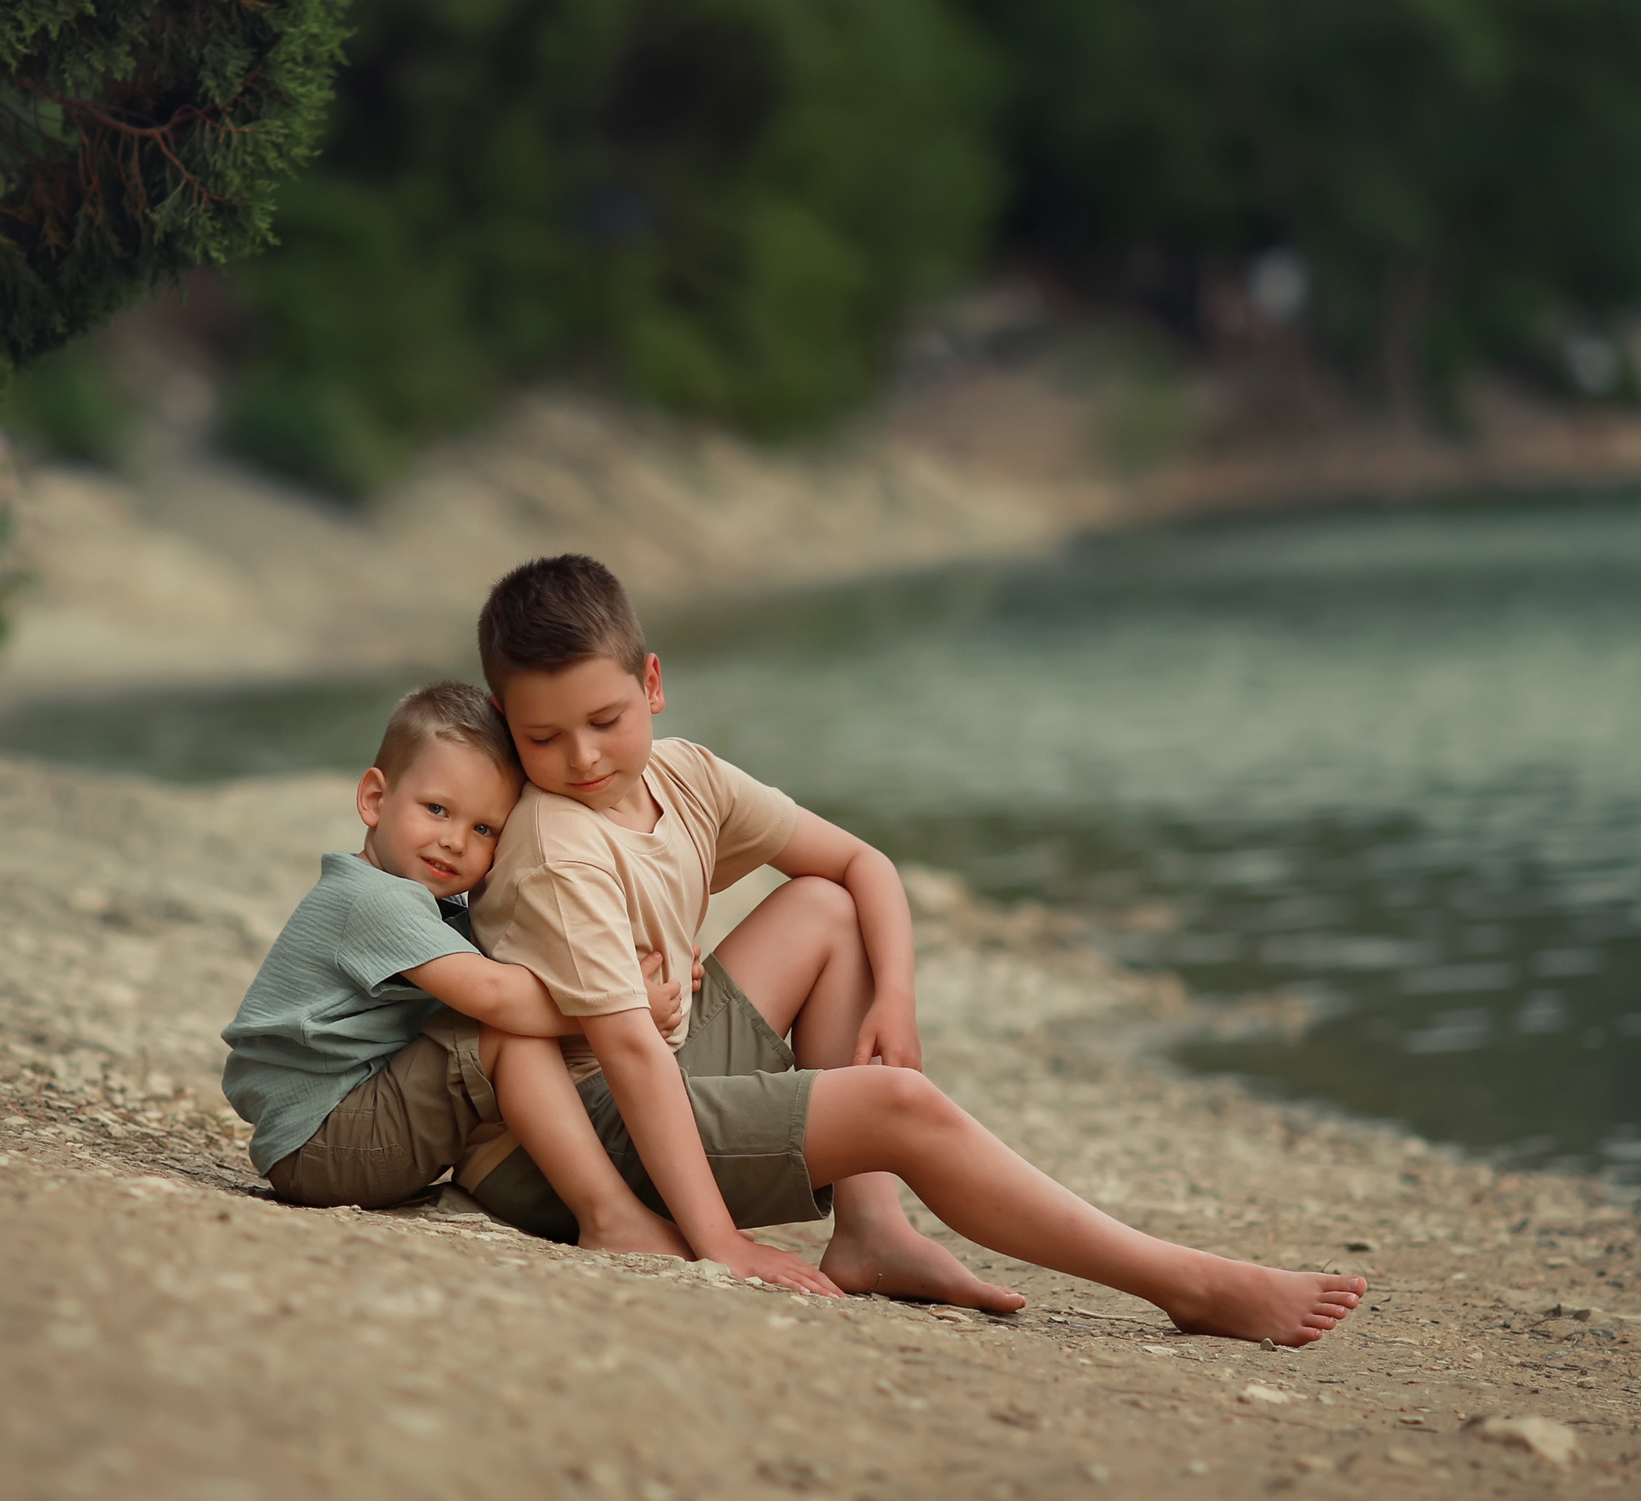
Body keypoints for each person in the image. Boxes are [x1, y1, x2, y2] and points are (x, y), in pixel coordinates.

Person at [465, 555, 1367, 1345]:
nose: (583, 756)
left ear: (652, 683)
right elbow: (624, 1051)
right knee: (897, 1101)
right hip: (566, 1141)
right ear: (509, 724)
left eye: (606, 719)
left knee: (825, 905)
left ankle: (871, 1227)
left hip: (656, 1068)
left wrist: (895, 996)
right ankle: (1189, 1284)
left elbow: (864, 862)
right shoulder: (558, 845)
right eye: (544, 737)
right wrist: (722, 1245)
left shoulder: (684, 774)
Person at [219, 681, 687, 1255]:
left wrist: (631, 973)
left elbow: (524, 965)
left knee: (505, 1022)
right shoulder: (371, 899)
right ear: (373, 799)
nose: (454, 842)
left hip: (348, 1126)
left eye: (484, 829)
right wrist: (618, 1009)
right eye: (437, 809)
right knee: (499, 1032)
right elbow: (494, 994)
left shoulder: (431, 903)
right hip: (323, 1144)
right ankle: (609, 1217)